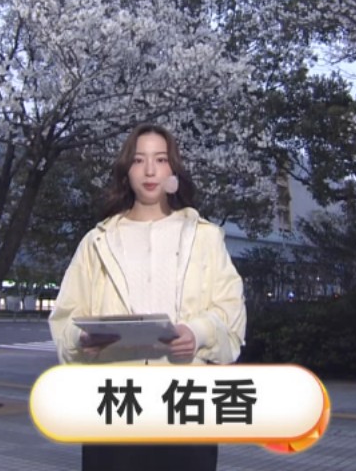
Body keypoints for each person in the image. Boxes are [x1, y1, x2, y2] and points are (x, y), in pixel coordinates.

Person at [48, 123, 246, 471]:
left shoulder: (205, 237)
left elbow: (231, 314)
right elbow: (65, 318)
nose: (150, 170)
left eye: (161, 159)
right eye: (139, 160)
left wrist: (197, 333)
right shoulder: (97, 241)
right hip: (113, 406)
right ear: (127, 171)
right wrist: (82, 339)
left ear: (173, 170)